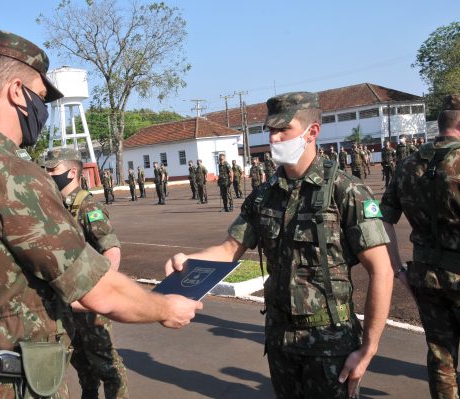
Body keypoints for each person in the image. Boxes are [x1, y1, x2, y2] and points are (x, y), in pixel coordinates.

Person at [0, 29, 201, 399]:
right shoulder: (7, 175)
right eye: (41, 97)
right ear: (17, 92)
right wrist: (164, 307)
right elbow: (97, 290)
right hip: (11, 387)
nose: (43, 110)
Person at [165, 91, 393, 399]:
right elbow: (229, 249)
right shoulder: (263, 196)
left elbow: (382, 270)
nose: (273, 138)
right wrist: (187, 262)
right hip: (279, 341)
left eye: (283, 129)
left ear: (312, 131)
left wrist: (368, 348)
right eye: (270, 130)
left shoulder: (346, 191)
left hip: (331, 343)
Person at [381, 94, 460, 399]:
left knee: (441, 354)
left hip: (426, 275)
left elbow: (382, 220)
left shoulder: (407, 164)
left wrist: (396, 266)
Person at [46, 147, 128, 399]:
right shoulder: (56, 206)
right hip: (67, 304)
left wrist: (98, 292)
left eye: (53, 170)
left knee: (107, 366)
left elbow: (111, 250)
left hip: (88, 306)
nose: (47, 174)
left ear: (72, 172)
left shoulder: (88, 207)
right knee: (81, 364)